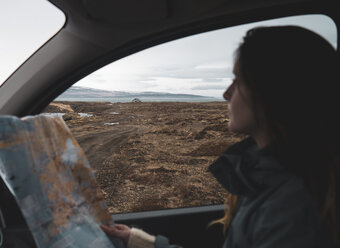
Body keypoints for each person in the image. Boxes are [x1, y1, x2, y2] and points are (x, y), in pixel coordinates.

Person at [101, 25, 340, 248]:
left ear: (274, 92)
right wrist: (140, 241)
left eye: (238, 81)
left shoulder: (293, 211)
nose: (226, 94)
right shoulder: (273, 178)